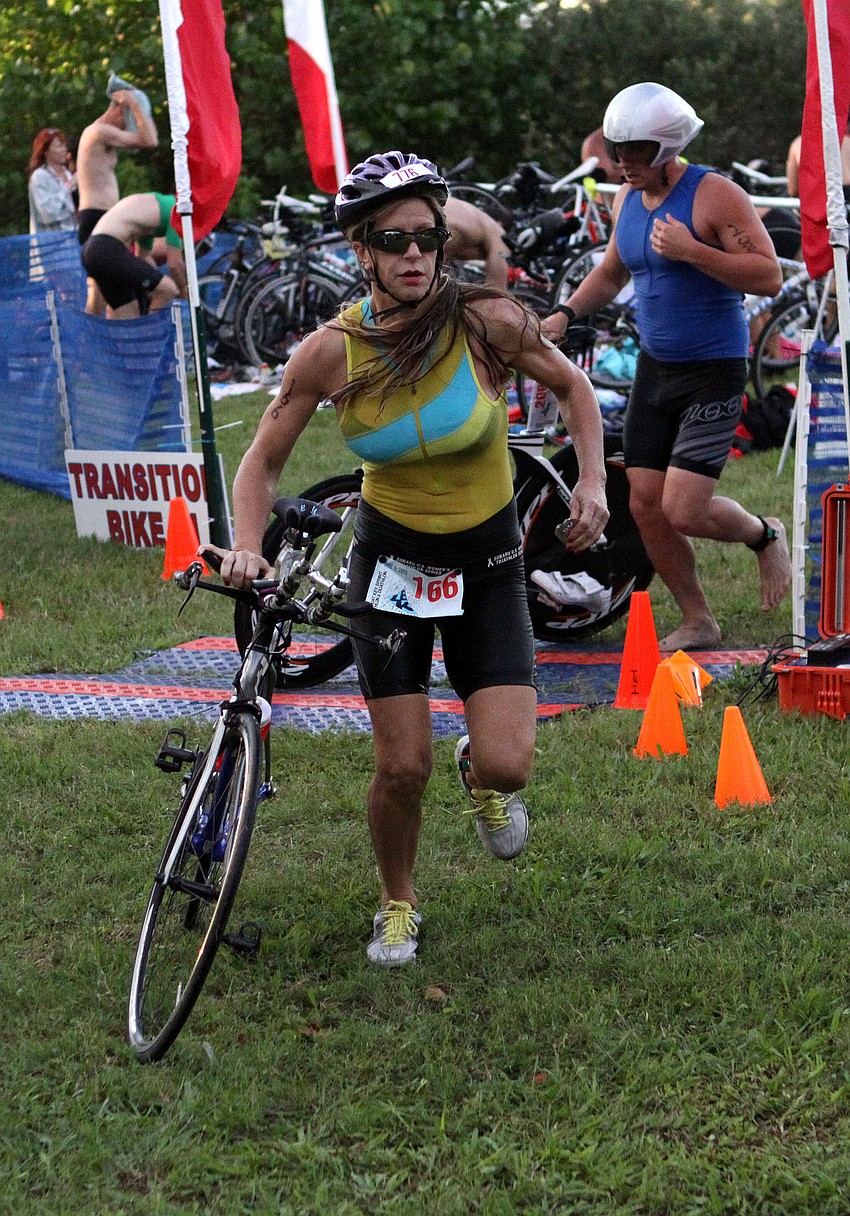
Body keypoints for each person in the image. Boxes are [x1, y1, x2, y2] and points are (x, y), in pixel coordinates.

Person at [203, 151, 609, 966]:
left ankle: (481, 773)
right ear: (362, 251)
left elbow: (575, 389)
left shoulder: (486, 321)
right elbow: (261, 463)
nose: (415, 253)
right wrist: (248, 546)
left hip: (490, 560)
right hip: (391, 563)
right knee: (400, 766)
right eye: (394, 239)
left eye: (428, 236)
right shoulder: (331, 350)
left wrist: (590, 482)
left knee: (509, 763)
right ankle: (398, 902)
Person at [542, 83, 791, 653]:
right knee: (645, 505)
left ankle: (763, 533)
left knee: (684, 508)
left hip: (714, 369)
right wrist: (564, 312)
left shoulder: (715, 196)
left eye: (632, 150)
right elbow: (612, 270)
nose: (619, 161)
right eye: (615, 147)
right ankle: (698, 618)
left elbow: (768, 276)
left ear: (666, 147)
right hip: (656, 368)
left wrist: (693, 251)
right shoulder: (625, 198)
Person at [76, 82, 158, 313]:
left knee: (107, 295)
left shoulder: (100, 133)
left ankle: (99, 344)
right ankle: (89, 343)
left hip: (102, 219)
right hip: (96, 219)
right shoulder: (99, 132)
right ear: (119, 110)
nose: (126, 129)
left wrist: (136, 103)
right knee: (112, 296)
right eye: (127, 121)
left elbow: (147, 136)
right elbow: (150, 140)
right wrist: (134, 104)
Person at [81, 191, 186, 319]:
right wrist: (185, 295)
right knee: (168, 289)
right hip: (106, 247)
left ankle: (128, 337)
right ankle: (150, 331)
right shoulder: (177, 211)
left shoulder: (154, 212)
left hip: (92, 250)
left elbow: (143, 257)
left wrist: (154, 279)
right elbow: (175, 265)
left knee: (129, 313)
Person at [443, 196, 511, 288]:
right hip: (445, 225)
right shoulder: (498, 232)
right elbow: (497, 287)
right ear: (500, 223)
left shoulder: (470, 214)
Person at [27, 128, 77, 233]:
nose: (64, 149)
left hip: (74, 241)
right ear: (45, 151)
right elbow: (48, 215)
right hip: (51, 244)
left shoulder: (68, 173)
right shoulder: (39, 177)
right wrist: (68, 186)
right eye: (59, 146)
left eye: (64, 145)